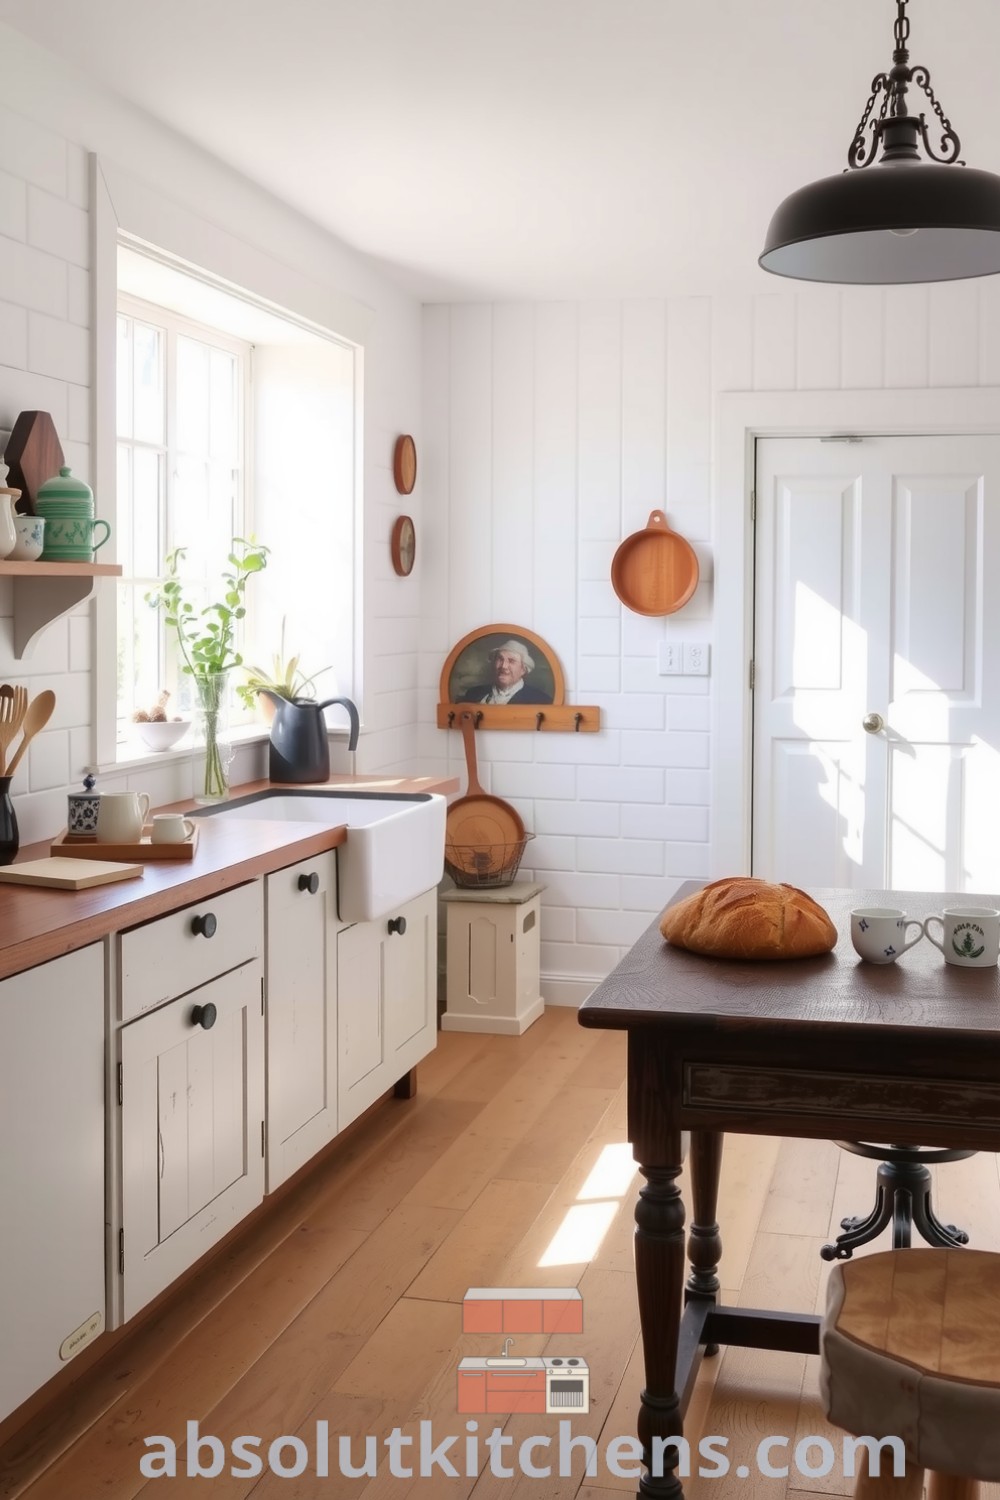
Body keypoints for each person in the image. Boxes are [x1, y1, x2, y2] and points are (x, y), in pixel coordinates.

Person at [457, 639, 552, 704]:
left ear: (523, 670)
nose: (503, 666)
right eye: (500, 659)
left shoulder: (540, 700)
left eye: (511, 661)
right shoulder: (473, 693)